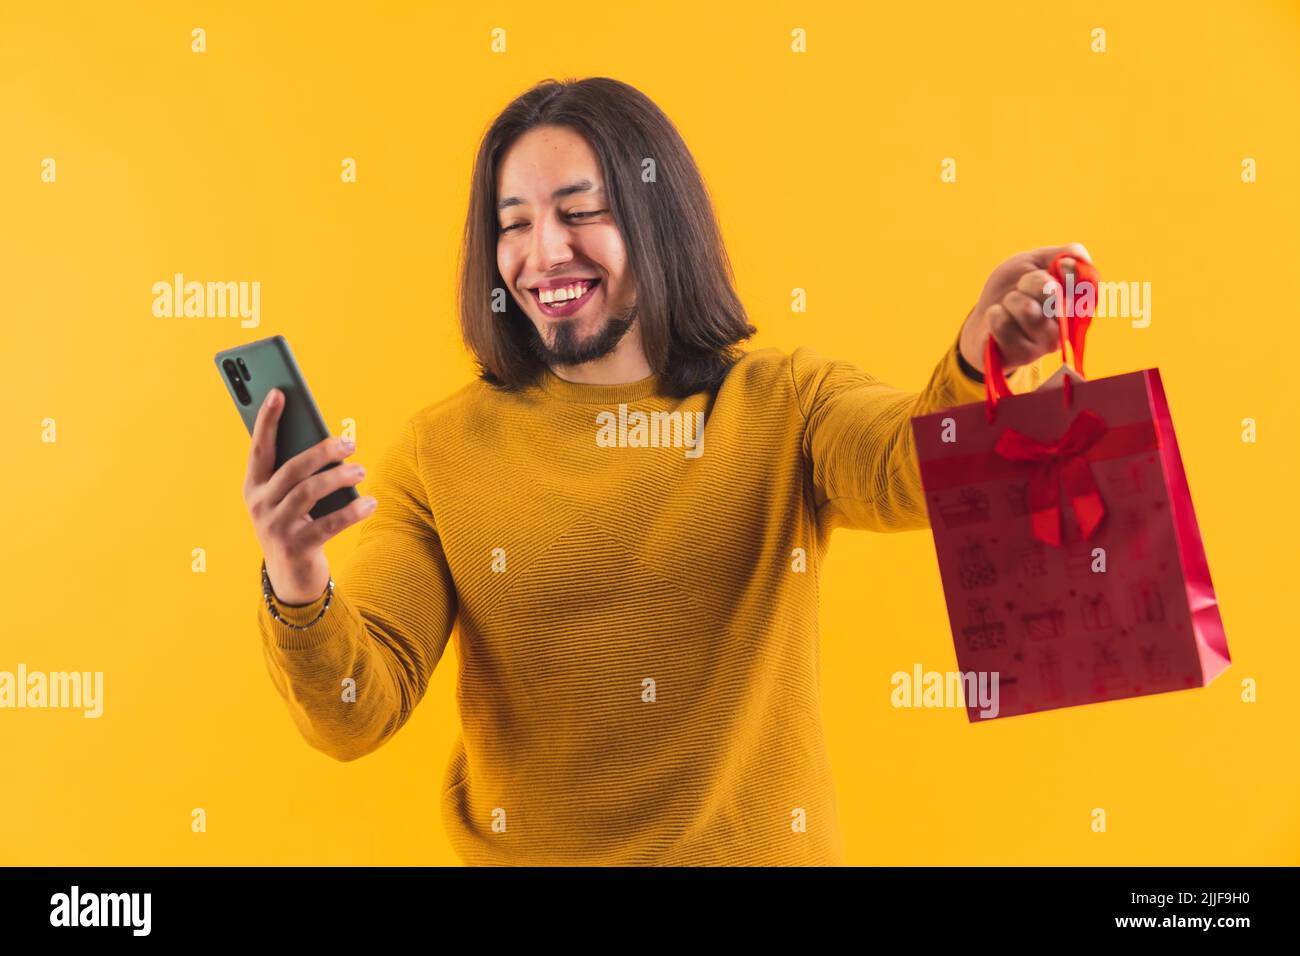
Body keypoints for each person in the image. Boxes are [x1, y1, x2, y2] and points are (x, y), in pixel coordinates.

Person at [245, 76, 1070, 866]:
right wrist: (297, 580)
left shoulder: (783, 404)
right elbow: (356, 713)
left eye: (581, 213)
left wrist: (978, 358)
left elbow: (909, 467)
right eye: (513, 224)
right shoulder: (442, 453)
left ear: (658, 221)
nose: (544, 253)